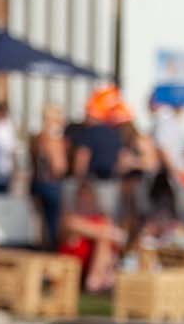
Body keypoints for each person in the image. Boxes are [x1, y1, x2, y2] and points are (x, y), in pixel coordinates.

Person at [57, 181, 127, 294]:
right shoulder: (70, 218)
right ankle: (96, 282)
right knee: (104, 238)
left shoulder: (101, 218)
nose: (84, 199)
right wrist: (114, 233)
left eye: (87, 195)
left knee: (105, 242)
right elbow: (98, 232)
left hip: (95, 262)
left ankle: (97, 281)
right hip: (73, 262)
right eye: (81, 195)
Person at [28, 104, 69, 250]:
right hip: (51, 184)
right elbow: (59, 167)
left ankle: (45, 250)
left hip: (37, 184)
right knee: (54, 224)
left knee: (41, 225)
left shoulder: (38, 137)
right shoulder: (53, 139)